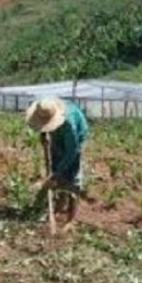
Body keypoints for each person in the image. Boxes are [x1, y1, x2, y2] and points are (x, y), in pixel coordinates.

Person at [25, 97, 89, 232]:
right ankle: (59, 205)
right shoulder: (45, 108)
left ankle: (71, 219)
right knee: (56, 163)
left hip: (75, 140)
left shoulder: (69, 125)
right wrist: (43, 134)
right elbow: (43, 124)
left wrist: (57, 173)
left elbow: (72, 152)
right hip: (59, 135)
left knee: (72, 178)